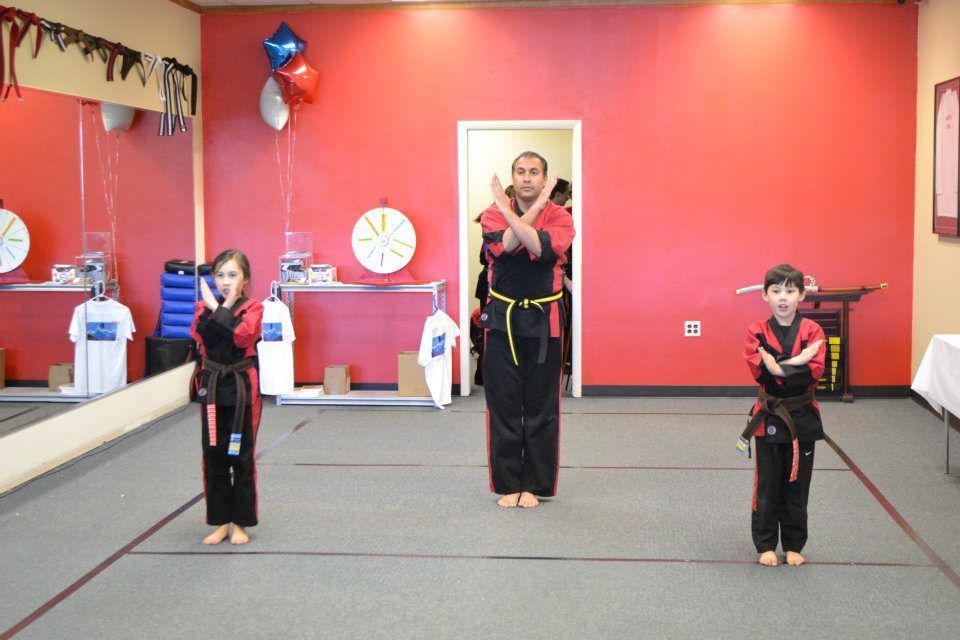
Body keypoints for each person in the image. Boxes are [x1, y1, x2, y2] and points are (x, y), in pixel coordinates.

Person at [479, 151, 575, 508]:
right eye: (520, 171)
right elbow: (504, 248)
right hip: (502, 319)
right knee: (502, 403)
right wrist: (506, 213)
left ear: (545, 179)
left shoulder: (561, 216)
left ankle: (534, 484)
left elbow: (536, 245)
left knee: (541, 405)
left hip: (544, 322)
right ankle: (508, 484)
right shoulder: (492, 212)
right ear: (513, 176)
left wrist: (510, 214)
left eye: (534, 172)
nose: (526, 178)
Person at [742, 264, 825, 566]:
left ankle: (793, 544)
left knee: (798, 485)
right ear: (765, 295)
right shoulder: (756, 331)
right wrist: (793, 362)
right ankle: (765, 544)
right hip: (769, 417)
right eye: (776, 291)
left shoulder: (812, 331)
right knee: (767, 484)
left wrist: (780, 365)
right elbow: (759, 368)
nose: (783, 298)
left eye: (790, 291)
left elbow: (813, 370)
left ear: (801, 294)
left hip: (802, 415)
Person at [190, 249, 264, 545]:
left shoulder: (254, 307)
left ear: (245, 278)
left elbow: (241, 338)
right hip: (213, 389)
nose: (225, 282)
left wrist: (223, 307)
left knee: (241, 456)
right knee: (213, 456)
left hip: (242, 391)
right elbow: (203, 339)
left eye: (232, 275)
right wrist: (218, 310)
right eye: (219, 275)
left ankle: (241, 523)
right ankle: (220, 521)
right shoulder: (202, 308)